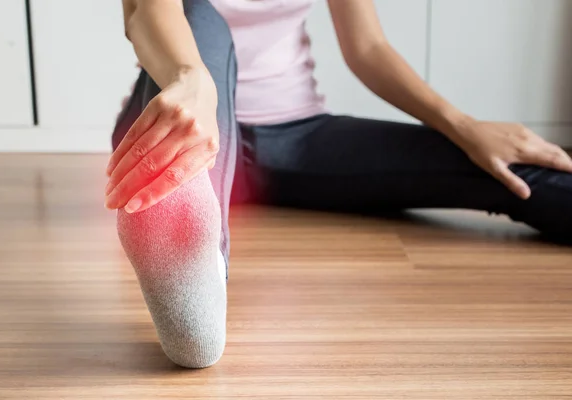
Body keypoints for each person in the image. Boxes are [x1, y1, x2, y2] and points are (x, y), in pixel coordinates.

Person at [104, 0, 572, 368]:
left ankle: (187, 215)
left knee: (502, 171)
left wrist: (464, 127)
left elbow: (368, 47)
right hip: (183, 117)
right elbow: (147, 10)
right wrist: (193, 81)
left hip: (295, 134)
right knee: (200, 12)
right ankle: (196, 258)